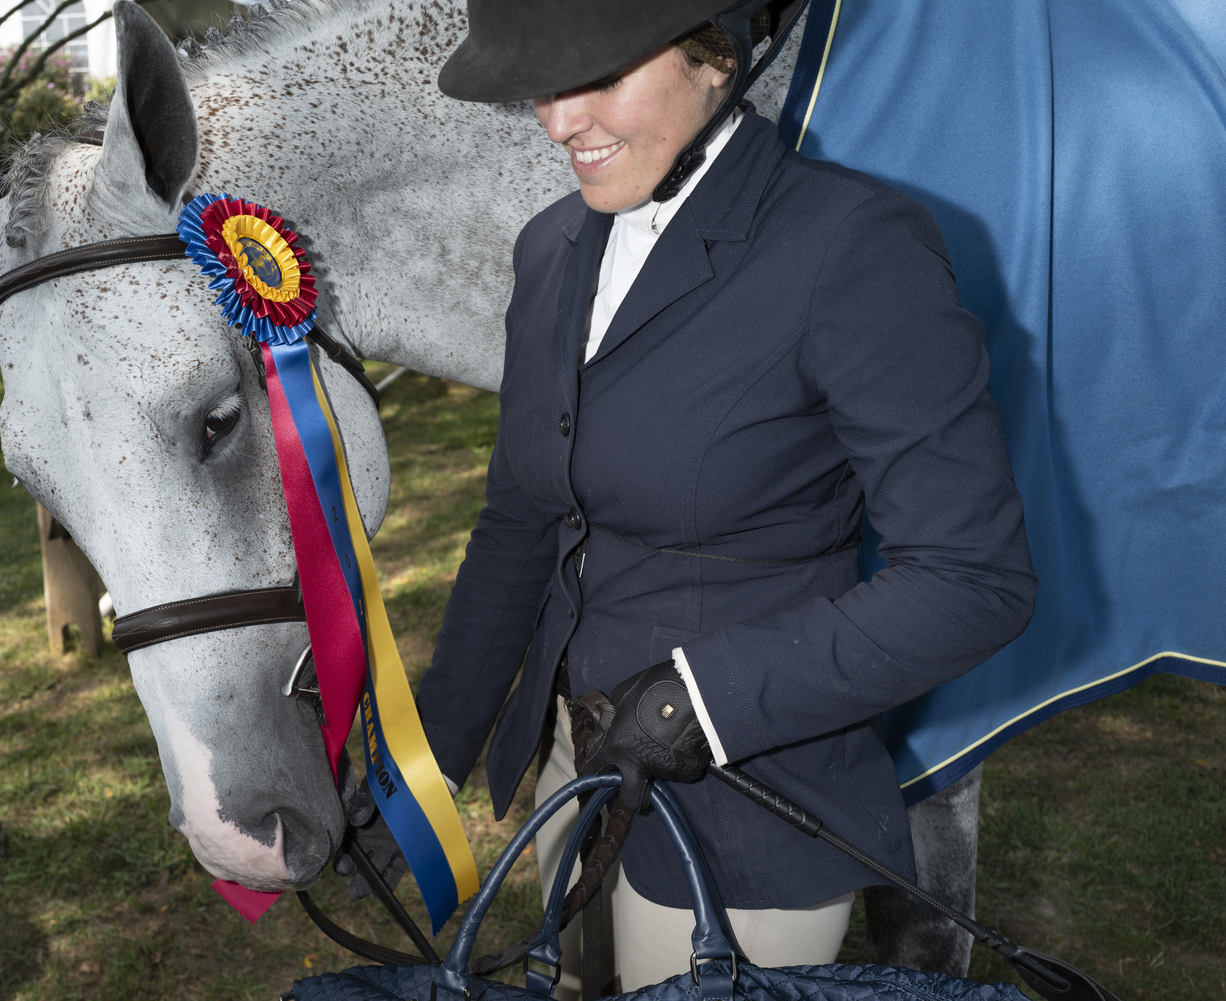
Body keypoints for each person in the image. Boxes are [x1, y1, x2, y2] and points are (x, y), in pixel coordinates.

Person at [339, 1, 1038, 994]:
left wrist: (700, 699)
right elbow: (523, 521)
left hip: (746, 812)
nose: (557, 122)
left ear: (715, 55)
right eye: (542, 85)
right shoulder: (548, 249)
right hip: (568, 784)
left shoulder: (854, 243)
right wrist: (429, 765)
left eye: (599, 77)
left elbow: (975, 579)